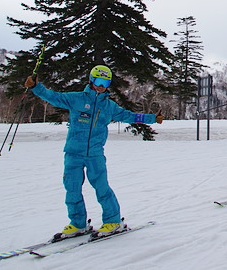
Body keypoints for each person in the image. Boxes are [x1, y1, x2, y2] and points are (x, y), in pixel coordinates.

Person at [24, 65, 163, 238]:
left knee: (101, 187)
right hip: (73, 152)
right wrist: (36, 87)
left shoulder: (109, 106)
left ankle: (113, 221)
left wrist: (152, 119)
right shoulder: (76, 99)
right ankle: (77, 224)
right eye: (98, 81)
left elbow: (129, 116)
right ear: (91, 80)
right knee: (72, 188)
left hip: (95, 154)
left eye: (105, 82)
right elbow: (53, 97)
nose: (100, 85)